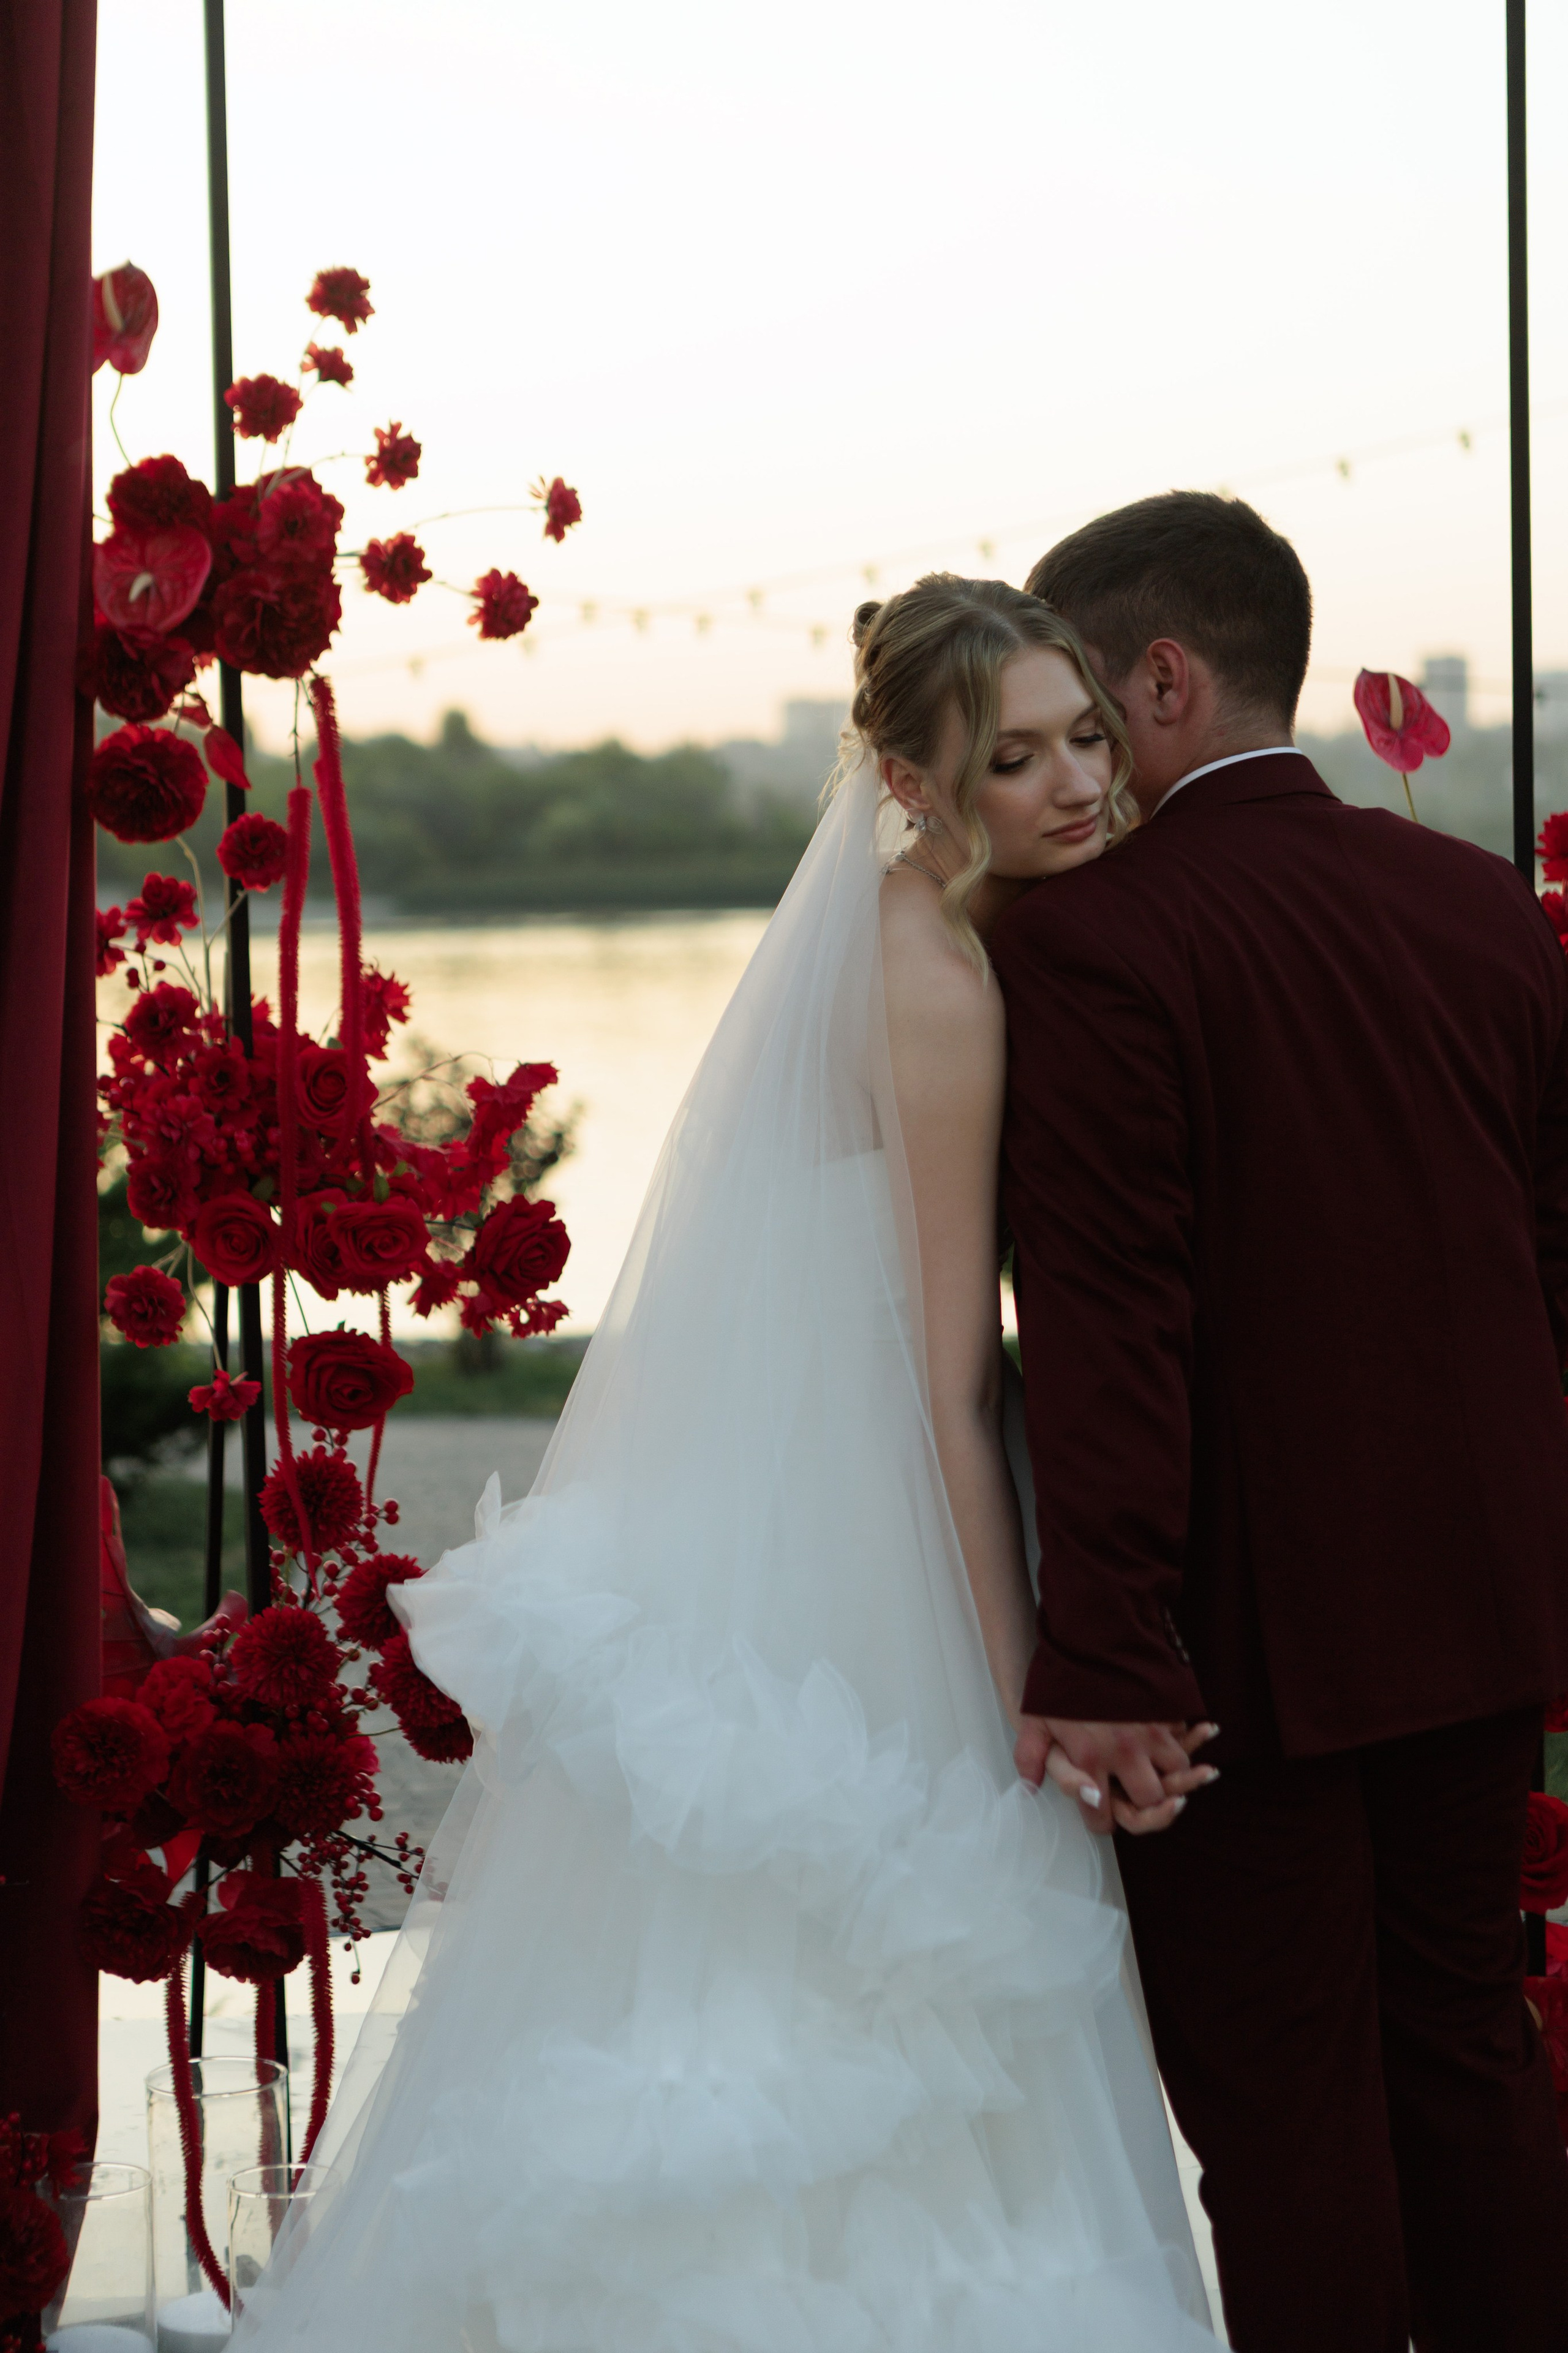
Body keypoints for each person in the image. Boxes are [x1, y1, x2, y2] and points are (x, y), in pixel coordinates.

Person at [230, 577, 1219, 2352]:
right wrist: (1024, 1671)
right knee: (883, 1996)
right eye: (1019, 756)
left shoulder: (884, 936)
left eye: (1088, 735)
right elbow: (947, 1377)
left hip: (767, 1509)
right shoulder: (941, 984)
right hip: (873, 1540)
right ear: (917, 784)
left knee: (739, 1989)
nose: (1080, 783)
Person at [994, 489, 1568, 2353]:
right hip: (1486, 1601)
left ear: (1163, 674)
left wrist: (1107, 1644)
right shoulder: (1480, 900)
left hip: (1244, 1646)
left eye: (1086, 700)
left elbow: (1111, 1320)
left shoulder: (1097, 940)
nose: (1074, 756)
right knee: (1473, 2057)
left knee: (1286, 2121)